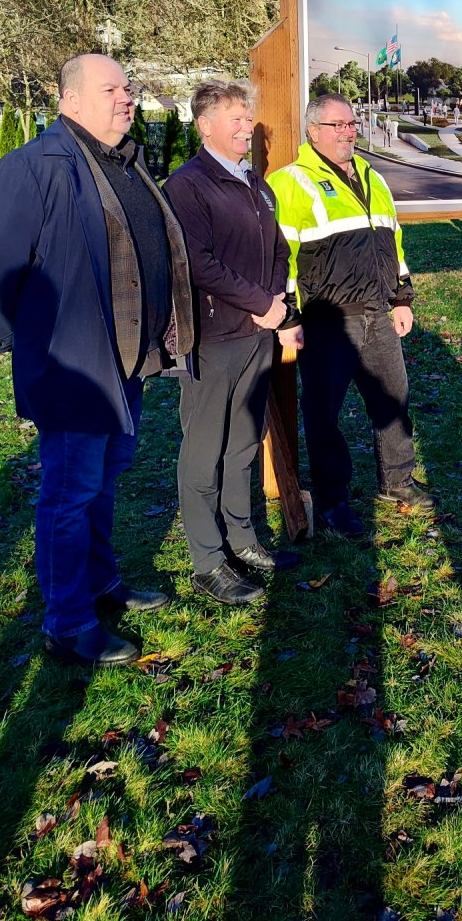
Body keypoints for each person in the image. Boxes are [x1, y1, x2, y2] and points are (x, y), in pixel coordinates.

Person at [0, 55, 194, 666]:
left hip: (125, 360)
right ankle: (68, 621)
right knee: (70, 491)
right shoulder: (35, 165)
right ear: (70, 99)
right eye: (111, 90)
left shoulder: (124, 161)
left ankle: (101, 583)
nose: (126, 99)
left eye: (128, 89)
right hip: (73, 364)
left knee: (104, 479)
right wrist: (22, 342)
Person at [163, 81, 303, 606]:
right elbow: (197, 263)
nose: (249, 127)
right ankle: (207, 560)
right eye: (237, 118)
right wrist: (256, 303)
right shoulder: (188, 186)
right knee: (203, 451)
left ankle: (243, 540)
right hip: (213, 338)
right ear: (206, 125)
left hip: (257, 336)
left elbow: (279, 252)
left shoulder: (257, 186)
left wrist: (279, 309)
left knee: (243, 444)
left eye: (249, 118)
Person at [268, 93, 433, 537]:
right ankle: (333, 500)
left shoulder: (372, 177)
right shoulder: (288, 183)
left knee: (393, 400)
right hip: (328, 320)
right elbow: (279, 257)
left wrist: (402, 298)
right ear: (313, 131)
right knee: (325, 414)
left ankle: (398, 481)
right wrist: (288, 318)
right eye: (336, 125)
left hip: (380, 313)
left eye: (351, 124)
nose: (347, 132)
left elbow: (392, 244)